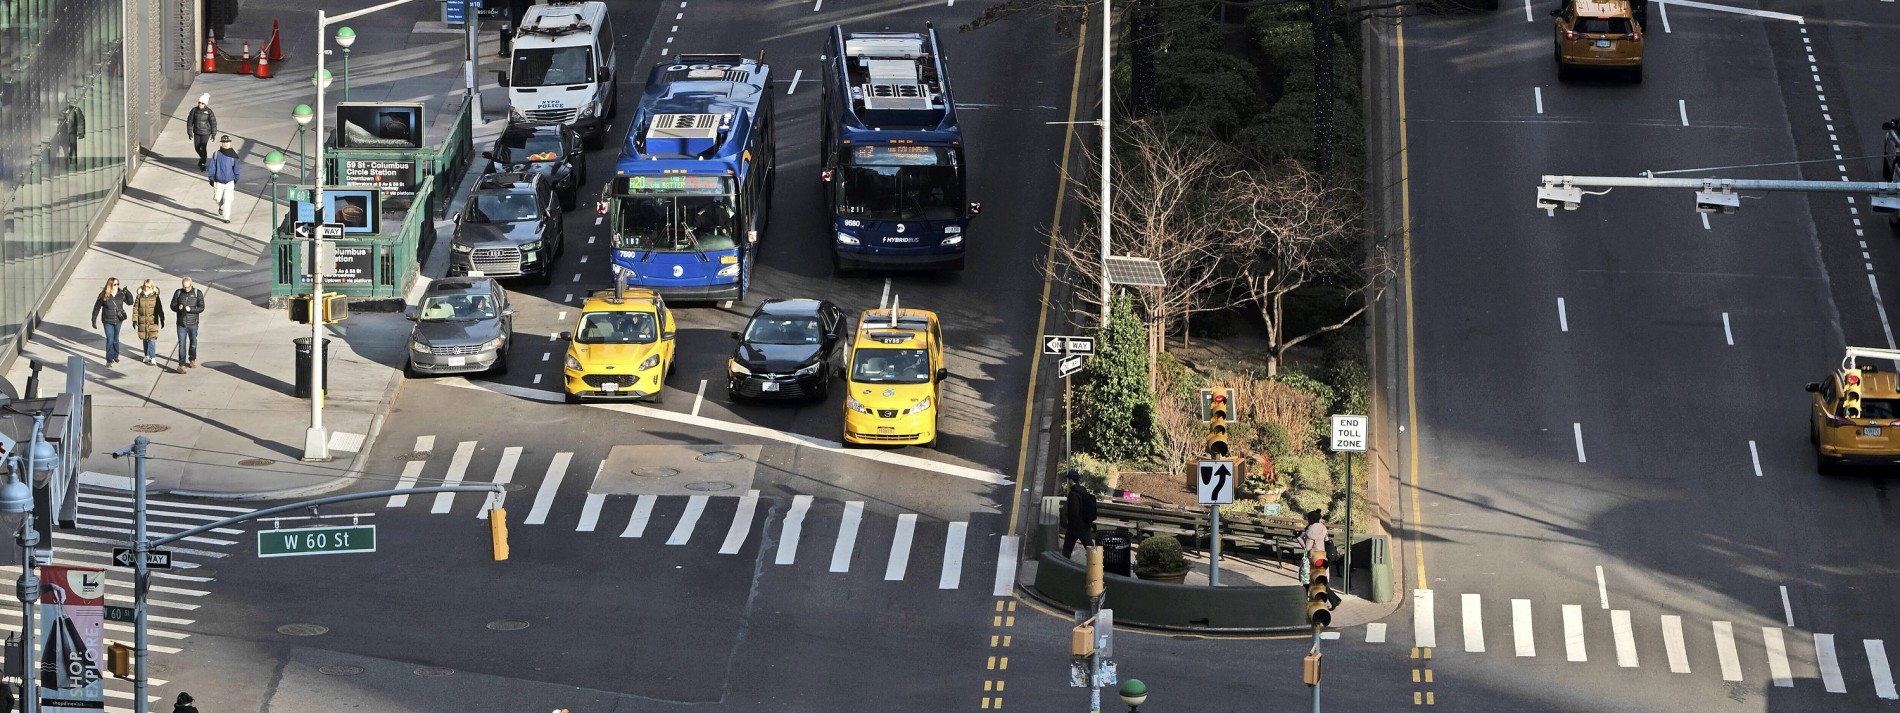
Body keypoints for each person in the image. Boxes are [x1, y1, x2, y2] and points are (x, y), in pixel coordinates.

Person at [88, 277, 133, 366]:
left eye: (118, 284)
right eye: (115, 284)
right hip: (107, 320)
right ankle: (109, 359)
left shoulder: (121, 294)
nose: (117, 286)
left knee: (116, 339)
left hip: (118, 320)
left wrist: (128, 293)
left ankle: (115, 356)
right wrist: (94, 320)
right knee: (110, 339)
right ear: (110, 285)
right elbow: (96, 308)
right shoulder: (104, 295)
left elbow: (130, 302)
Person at [170, 277, 206, 373]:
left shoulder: (197, 293)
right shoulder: (178, 293)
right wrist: (178, 307)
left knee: (193, 343)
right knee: (182, 344)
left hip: (193, 323)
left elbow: (201, 307)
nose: (186, 289)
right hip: (181, 324)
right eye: (184, 287)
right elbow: (172, 306)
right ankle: (182, 365)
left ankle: (192, 359)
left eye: (188, 287)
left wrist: (191, 309)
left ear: (191, 284)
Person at [1060, 469, 1097, 558]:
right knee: (1091, 549)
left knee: (1067, 550)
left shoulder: (1073, 494)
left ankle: (1063, 567)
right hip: (1086, 525)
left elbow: (1074, 513)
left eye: (1068, 479)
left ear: (1071, 480)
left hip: (1075, 527)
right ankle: (1097, 564)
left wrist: (1070, 525)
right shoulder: (1082, 490)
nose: (1068, 481)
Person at [206, 135, 241, 224]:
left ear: (230, 143)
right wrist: (211, 177)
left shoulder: (233, 155)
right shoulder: (216, 154)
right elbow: (212, 167)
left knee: (228, 199)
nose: (225, 144)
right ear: (221, 143)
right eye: (224, 142)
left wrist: (236, 177)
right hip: (218, 181)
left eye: (227, 142)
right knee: (217, 198)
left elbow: (236, 167)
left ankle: (226, 217)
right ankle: (221, 207)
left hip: (229, 181)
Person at [131, 279, 166, 366]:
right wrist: (134, 319)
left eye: (148, 287)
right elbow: (135, 308)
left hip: (152, 321)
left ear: (152, 287)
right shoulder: (139, 296)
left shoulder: (155, 296)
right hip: (142, 320)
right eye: (145, 286)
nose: (146, 288)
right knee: (145, 339)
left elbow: (159, 308)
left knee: (152, 339)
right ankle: (146, 355)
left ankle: (153, 357)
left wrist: (162, 319)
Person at [1299, 509, 1330, 586]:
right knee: (1321, 578)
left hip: (1312, 557)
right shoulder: (1323, 528)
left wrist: (1298, 538)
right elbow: (1327, 540)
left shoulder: (1310, 530)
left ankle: (1306, 595)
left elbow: (1307, 548)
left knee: (1309, 580)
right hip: (1322, 556)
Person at [186, 95, 217, 170]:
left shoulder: (209, 112)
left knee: (203, 147)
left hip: (206, 132)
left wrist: (213, 133)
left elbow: (213, 123)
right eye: (199, 102)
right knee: (196, 147)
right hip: (197, 132)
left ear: (205, 104)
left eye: (202, 103)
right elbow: (190, 121)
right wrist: (189, 132)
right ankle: (203, 157)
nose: (200, 104)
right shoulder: (194, 110)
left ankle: (203, 163)